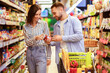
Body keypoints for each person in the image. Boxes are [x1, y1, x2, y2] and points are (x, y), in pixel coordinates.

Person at [45, 2, 85, 73]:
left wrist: (62, 38)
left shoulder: (74, 20)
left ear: (61, 10)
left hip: (73, 57)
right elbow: (57, 41)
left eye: (54, 13)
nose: (53, 16)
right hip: (60, 58)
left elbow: (79, 36)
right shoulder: (56, 25)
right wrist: (50, 41)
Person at [23, 4, 51, 73]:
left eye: (39, 14)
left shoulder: (43, 24)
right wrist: (35, 38)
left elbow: (48, 41)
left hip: (41, 52)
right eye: (36, 14)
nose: (38, 16)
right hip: (30, 54)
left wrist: (49, 56)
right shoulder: (25, 26)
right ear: (31, 14)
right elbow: (27, 43)